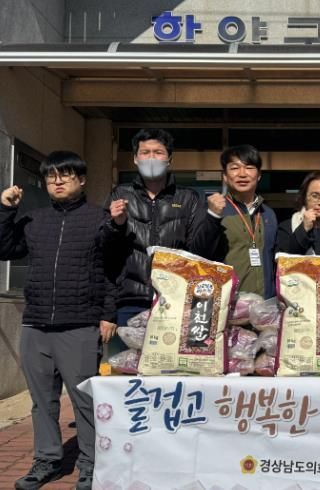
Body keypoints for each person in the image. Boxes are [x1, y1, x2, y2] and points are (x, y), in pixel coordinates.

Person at [0, 151, 116, 490]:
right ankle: (46, 461)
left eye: (65, 175)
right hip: (35, 323)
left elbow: (113, 271)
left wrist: (107, 315)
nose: (58, 181)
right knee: (42, 402)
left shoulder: (99, 219)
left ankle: (91, 464)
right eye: (51, 176)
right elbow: (5, 248)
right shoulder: (34, 219)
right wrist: (6, 211)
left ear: (82, 180)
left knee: (84, 401)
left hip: (79, 324)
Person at [104, 128, 201, 327]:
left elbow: (198, 251)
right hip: (129, 301)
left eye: (158, 152)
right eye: (145, 152)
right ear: (135, 158)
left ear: (169, 158)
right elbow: (105, 252)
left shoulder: (188, 198)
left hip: (174, 301)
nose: (151, 158)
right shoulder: (120, 195)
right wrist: (116, 224)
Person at [192, 144, 278, 298]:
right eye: (234, 168)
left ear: (259, 175)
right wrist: (213, 216)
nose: (242, 174)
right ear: (225, 176)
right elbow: (199, 254)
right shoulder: (212, 209)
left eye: (249, 167)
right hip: (228, 304)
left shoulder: (268, 214)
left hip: (265, 305)